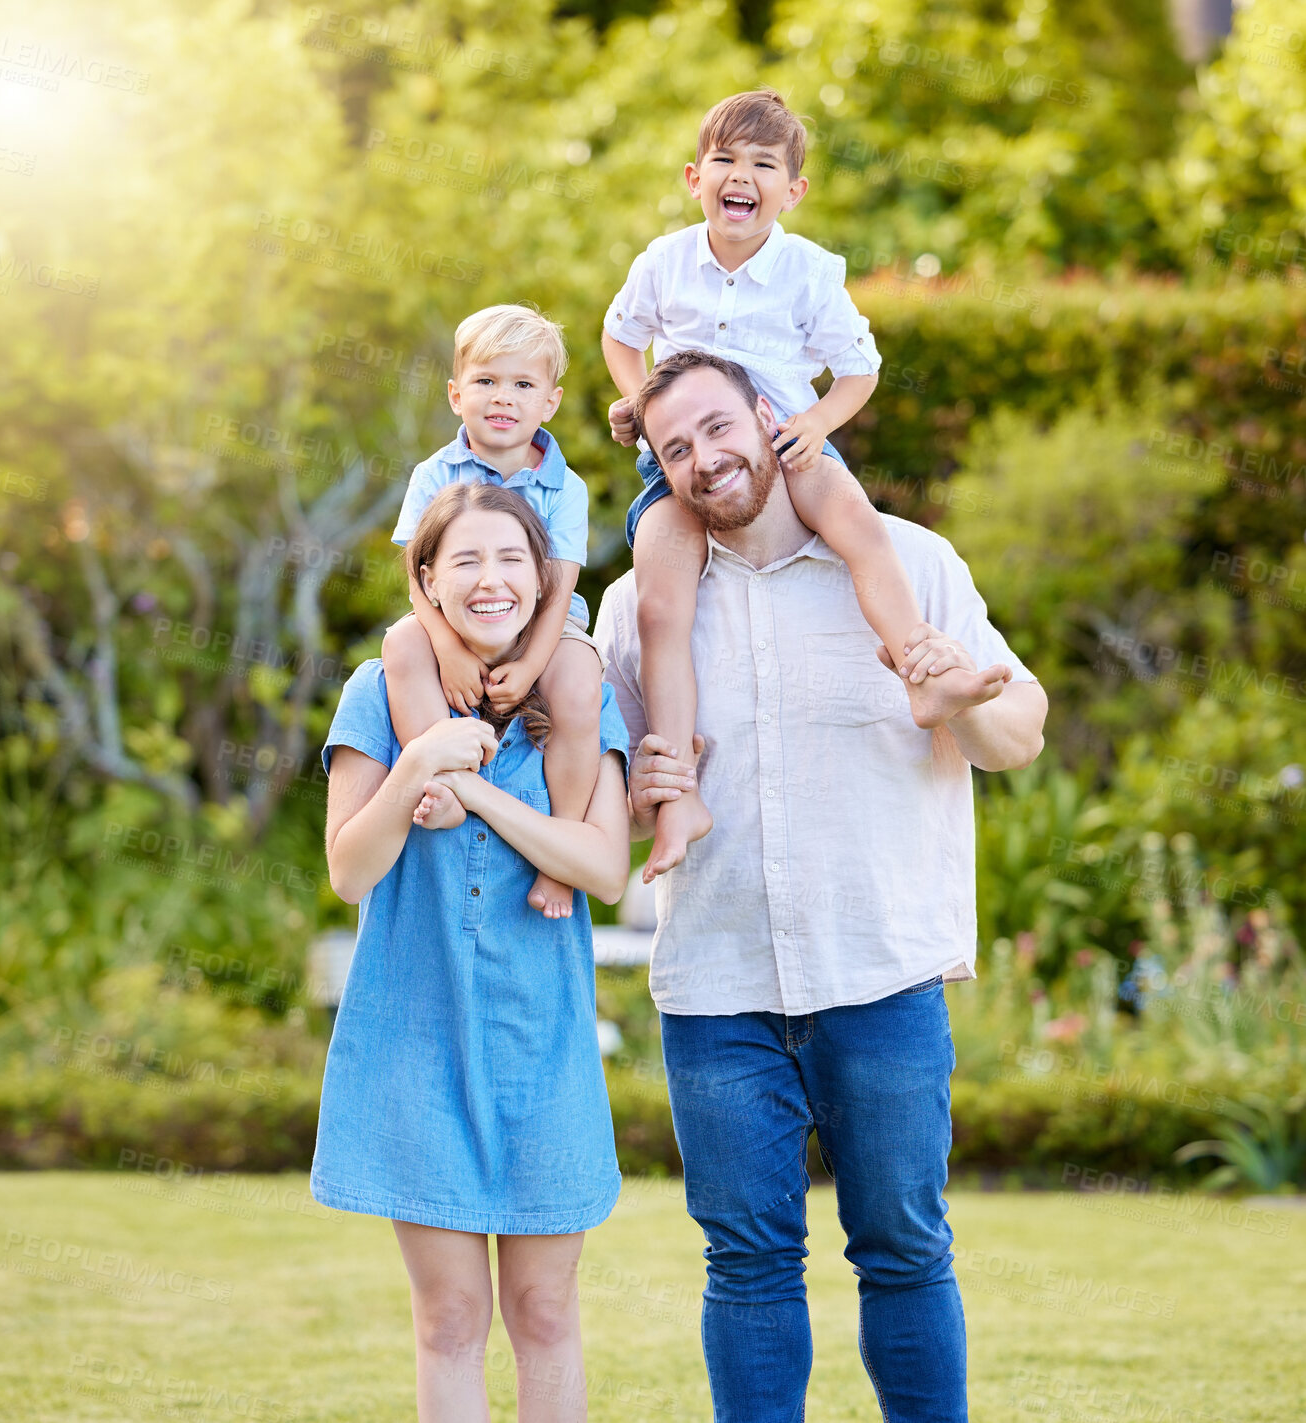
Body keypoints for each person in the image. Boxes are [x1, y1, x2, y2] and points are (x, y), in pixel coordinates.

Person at [596, 350, 1049, 1423]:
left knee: (901, 1246)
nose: (705, 459)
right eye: (675, 450)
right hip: (717, 985)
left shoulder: (907, 564)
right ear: (659, 472)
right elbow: (601, 806)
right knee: (746, 1260)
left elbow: (1016, 732)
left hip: (880, 976)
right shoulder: (636, 607)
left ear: (767, 415)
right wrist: (635, 794)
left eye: (717, 427)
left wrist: (956, 702)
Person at [602, 88, 983, 883]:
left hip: (785, 439)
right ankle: (678, 795)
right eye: (725, 162)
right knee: (659, 605)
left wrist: (817, 423)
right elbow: (618, 334)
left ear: (792, 190)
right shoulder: (663, 261)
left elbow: (858, 369)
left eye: (763, 166)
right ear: (693, 177)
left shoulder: (808, 271)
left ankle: (921, 670)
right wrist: (638, 400)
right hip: (690, 463)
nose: (741, 177)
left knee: (860, 532)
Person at [314, 483, 632, 1421]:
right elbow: (348, 869)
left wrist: (482, 792)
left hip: (543, 1042)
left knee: (543, 1308)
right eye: (464, 560)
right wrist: (419, 762)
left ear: (542, 582)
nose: (489, 579)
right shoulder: (379, 693)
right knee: (450, 1315)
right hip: (417, 1041)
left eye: (510, 559)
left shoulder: (577, 698)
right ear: (427, 581)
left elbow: (604, 869)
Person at [383, 303, 602, 918]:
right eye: (486, 381)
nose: (502, 397)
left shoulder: (566, 486)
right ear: (456, 395)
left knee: (582, 681)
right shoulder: (435, 473)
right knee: (401, 646)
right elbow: (416, 573)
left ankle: (562, 856)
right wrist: (448, 649)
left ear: (549, 403)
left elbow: (559, 587)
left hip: (544, 626)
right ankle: (447, 783)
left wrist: (533, 665)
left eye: (522, 384)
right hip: (454, 618)